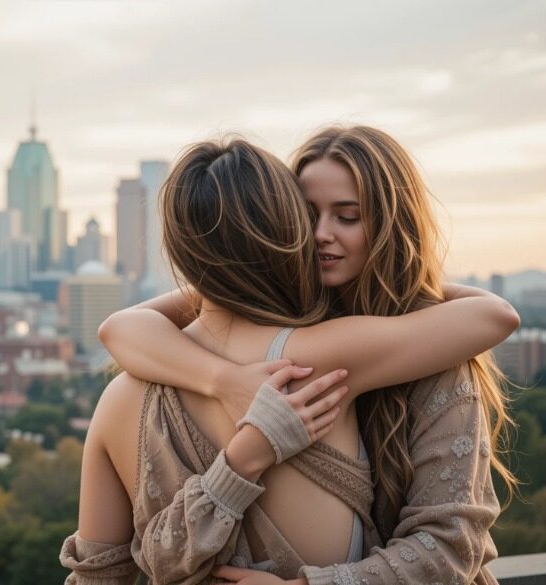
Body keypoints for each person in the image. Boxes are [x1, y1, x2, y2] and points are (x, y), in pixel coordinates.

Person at [60, 136, 518, 584]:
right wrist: (224, 380)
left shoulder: (434, 346)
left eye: (348, 216)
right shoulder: (314, 349)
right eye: (306, 215)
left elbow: (449, 547)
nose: (320, 234)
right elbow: (121, 326)